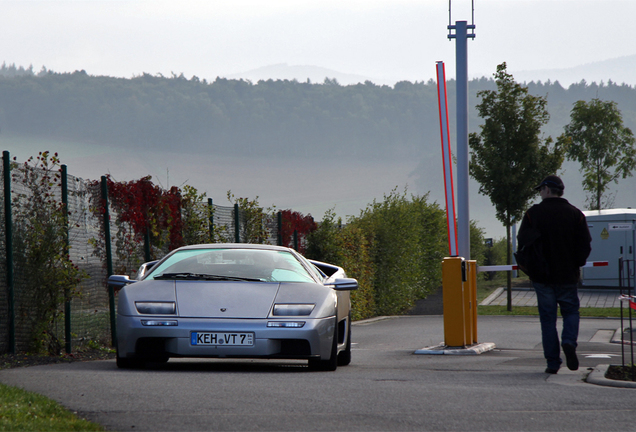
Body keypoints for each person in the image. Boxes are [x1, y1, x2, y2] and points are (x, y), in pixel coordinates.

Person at [517, 175, 592, 374]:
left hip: (542, 277)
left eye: (541, 189)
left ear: (548, 190)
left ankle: (552, 362)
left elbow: (522, 239)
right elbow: (585, 245)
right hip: (567, 275)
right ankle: (568, 342)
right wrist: (576, 263)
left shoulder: (533, 214)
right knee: (571, 312)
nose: (540, 193)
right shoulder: (576, 214)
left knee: (548, 319)